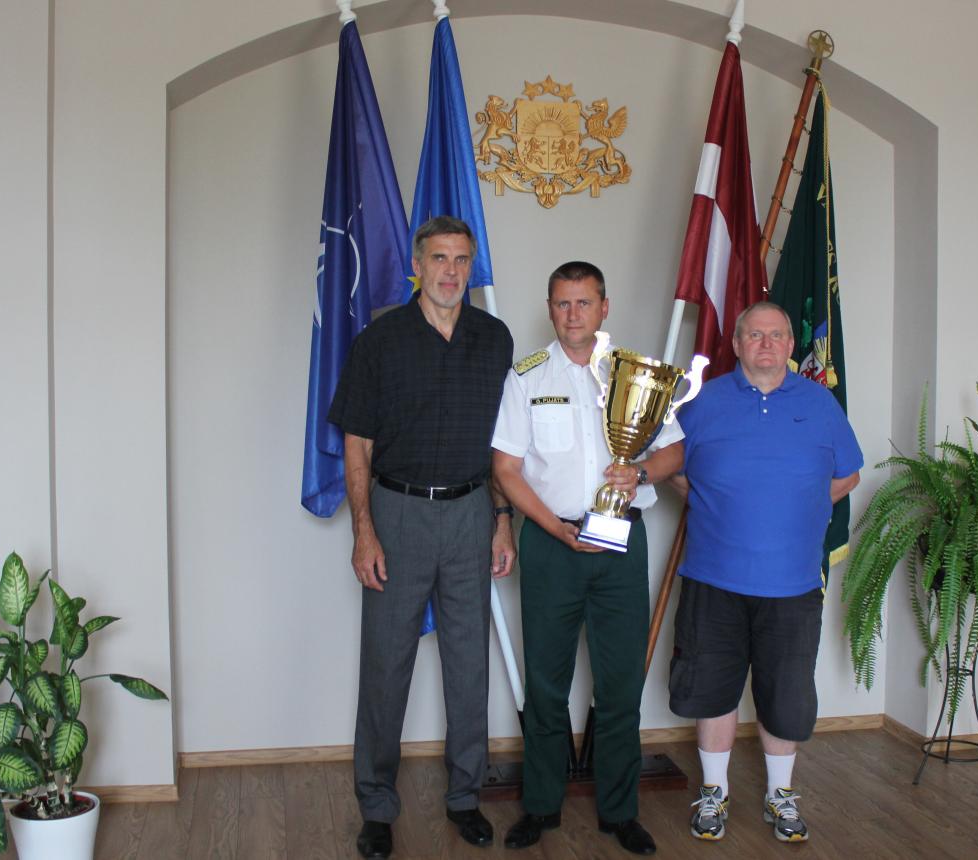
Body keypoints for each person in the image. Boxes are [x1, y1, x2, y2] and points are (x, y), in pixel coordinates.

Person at [328, 216, 516, 859]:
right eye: (439, 258)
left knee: (470, 664)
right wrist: (363, 531)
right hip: (396, 513)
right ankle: (376, 806)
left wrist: (500, 520)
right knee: (386, 666)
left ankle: (466, 796)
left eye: (462, 260)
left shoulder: (494, 339)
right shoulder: (380, 341)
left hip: (469, 512)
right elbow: (357, 442)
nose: (451, 272)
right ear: (417, 264)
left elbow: (502, 445)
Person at [491, 262, 682, 856]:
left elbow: (674, 450)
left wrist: (642, 470)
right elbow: (506, 469)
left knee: (621, 686)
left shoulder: (637, 375)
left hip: (621, 545)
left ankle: (620, 810)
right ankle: (542, 806)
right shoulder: (525, 376)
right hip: (551, 545)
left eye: (584, 302)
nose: (573, 314)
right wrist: (554, 529)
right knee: (546, 686)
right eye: (562, 304)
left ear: (605, 306)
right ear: (550, 309)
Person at [668, 300, 862, 844]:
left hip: (792, 583)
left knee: (786, 694)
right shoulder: (703, 402)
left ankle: (780, 795)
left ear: (790, 346)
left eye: (776, 335)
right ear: (736, 343)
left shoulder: (819, 403)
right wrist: (717, 499)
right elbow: (673, 471)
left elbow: (846, 474)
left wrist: (796, 506)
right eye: (755, 335)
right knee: (713, 690)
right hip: (714, 578)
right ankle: (714, 793)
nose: (767, 344)